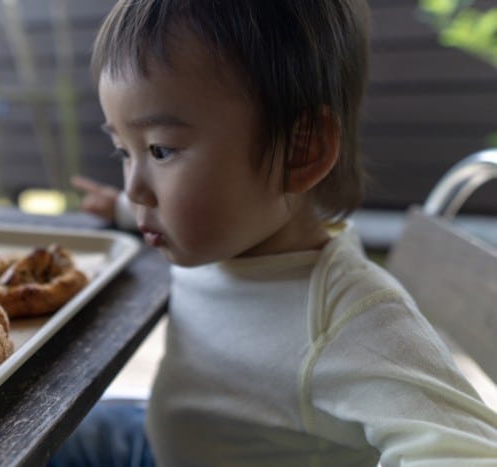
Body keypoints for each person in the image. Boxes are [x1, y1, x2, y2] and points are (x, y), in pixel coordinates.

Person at [50, 1, 497, 465]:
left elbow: (469, 452)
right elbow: (153, 200)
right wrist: (120, 209)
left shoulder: (349, 318)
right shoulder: (224, 236)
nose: (136, 187)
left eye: (160, 151)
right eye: (124, 150)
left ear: (300, 151)